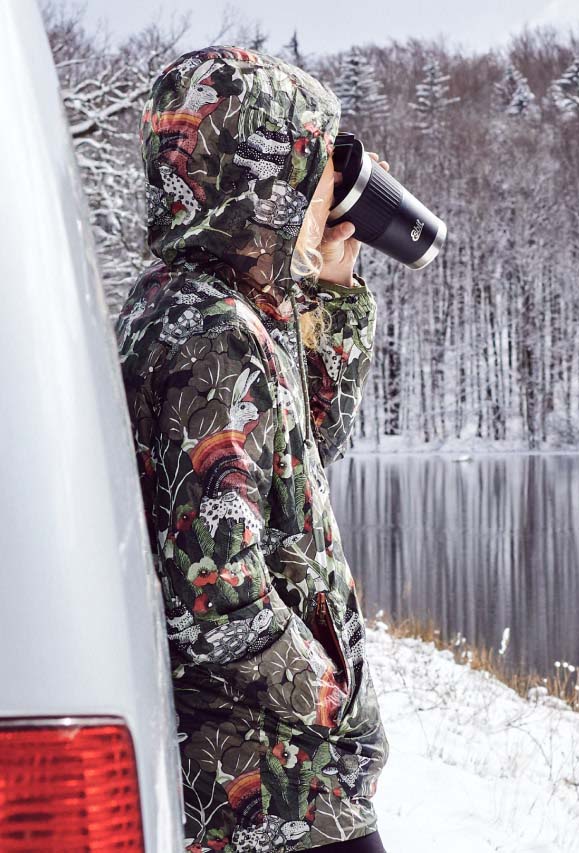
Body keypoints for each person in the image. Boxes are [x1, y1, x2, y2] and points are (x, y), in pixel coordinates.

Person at [115, 46, 390, 852]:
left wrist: (333, 289)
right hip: (271, 790)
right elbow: (219, 595)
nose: (325, 203)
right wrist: (331, 700)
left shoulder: (196, 307)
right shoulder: (210, 331)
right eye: (310, 179)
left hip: (270, 781)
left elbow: (305, 454)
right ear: (258, 185)